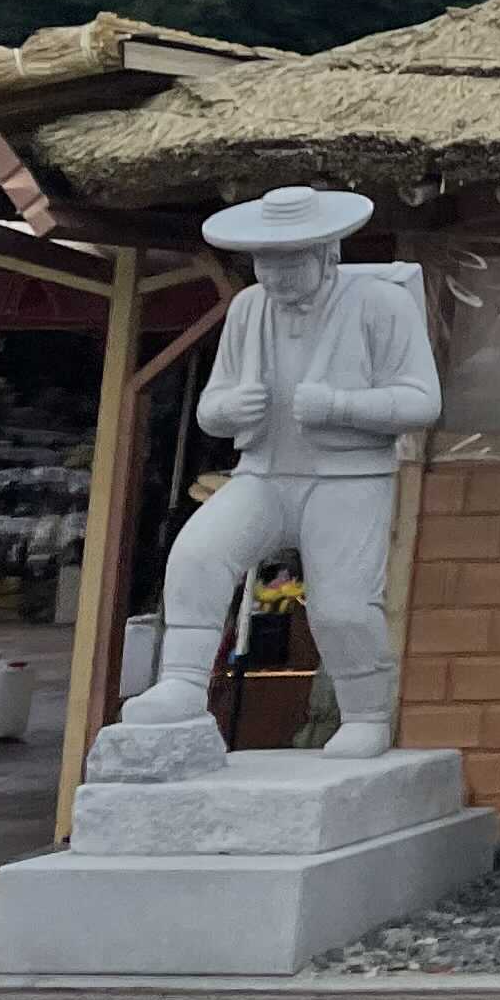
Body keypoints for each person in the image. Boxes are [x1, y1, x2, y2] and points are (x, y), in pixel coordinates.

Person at [117, 186, 440, 757]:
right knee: (197, 556)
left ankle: (365, 712)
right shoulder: (248, 309)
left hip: (348, 478)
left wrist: (340, 406)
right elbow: (211, 408)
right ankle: (182, 685)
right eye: (265, 264)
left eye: (290, 264)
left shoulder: (380, 304)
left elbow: (421, 402)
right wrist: (230, 410)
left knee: (341, 607)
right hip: (263, 474)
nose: (276, 278)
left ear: (326, 254)